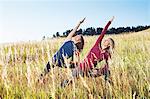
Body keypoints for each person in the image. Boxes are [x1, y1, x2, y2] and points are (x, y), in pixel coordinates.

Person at [61, 17, 115, 87]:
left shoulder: (106, 54)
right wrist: (109, 22)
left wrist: (100, 70)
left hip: (90, 71)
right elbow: (103, 32)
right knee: (70, 79)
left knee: (107, 72)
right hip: (82, 67)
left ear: (109, 44)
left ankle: (109, 87)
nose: (105, 41)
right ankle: (60, 88)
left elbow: (107, 66)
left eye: (107, 41)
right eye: (105, 40)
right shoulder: (97, 45)